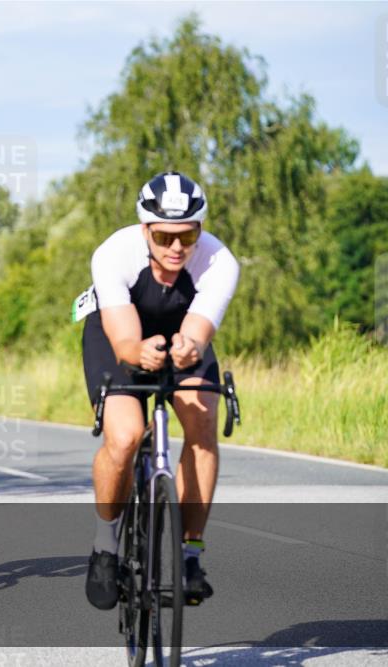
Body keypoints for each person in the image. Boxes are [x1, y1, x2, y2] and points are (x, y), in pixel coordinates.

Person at [80, 172, 239, 609]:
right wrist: (137, 351)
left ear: (199, 230)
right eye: (166, 235)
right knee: (127, 435)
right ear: (146, 228)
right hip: (120, 333)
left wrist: (189, 347)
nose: (177, 247)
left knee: (202, 418)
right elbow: (124, 339)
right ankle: (106, 543)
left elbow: (198, 330)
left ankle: (191, 554)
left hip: (179, 332)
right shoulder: (115, 253)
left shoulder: (219, 261)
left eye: (188, 235)